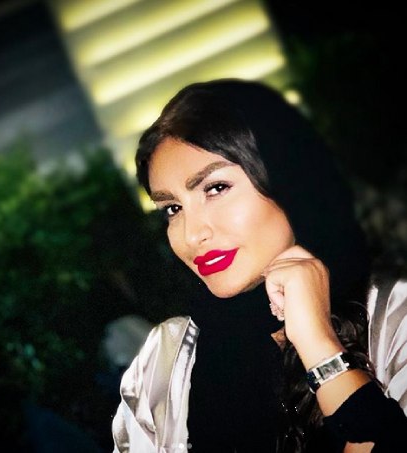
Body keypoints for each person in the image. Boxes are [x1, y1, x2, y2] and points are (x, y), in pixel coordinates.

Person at [112, 80, 407, 452]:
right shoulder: (166, 362)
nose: (192, 234)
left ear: (286, 178)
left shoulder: (394, 319)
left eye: (215, 188)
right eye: (172, 208)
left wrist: (319, 344)